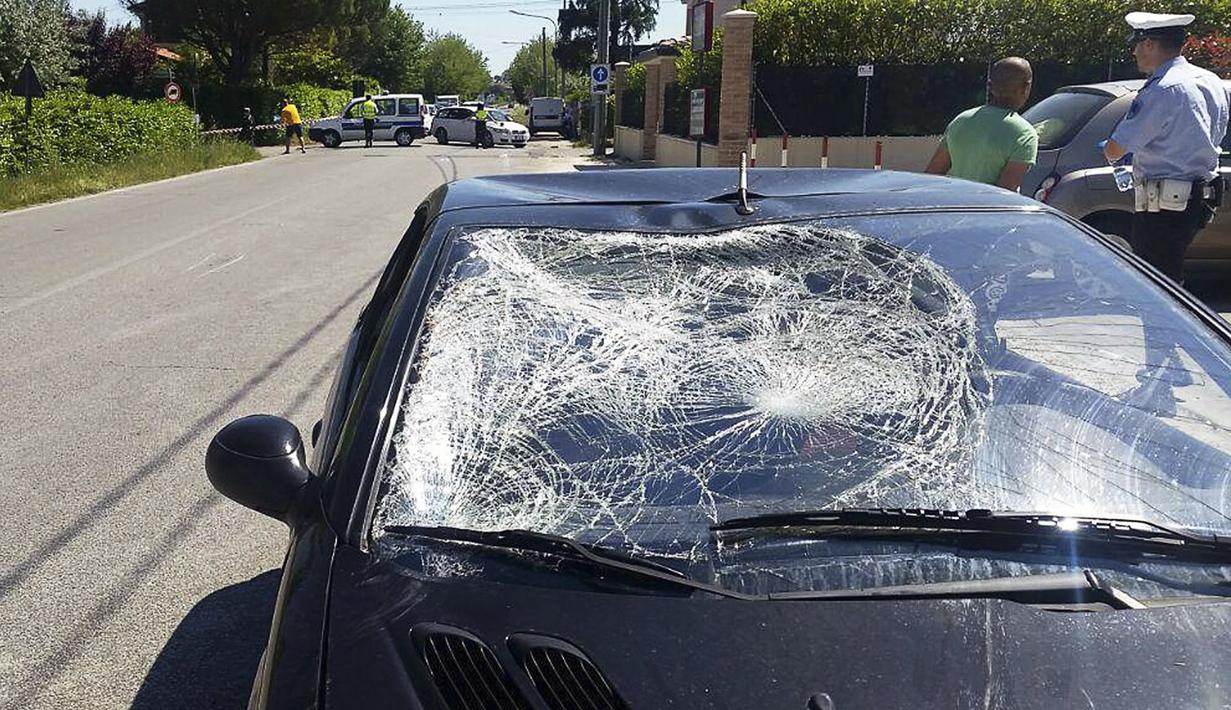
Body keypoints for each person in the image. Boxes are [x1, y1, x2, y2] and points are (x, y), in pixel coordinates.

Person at [1102, 12, 1229, 283]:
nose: (1134, 52)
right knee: (1170, 279)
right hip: (1198, 199)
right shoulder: (1209, 80)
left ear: (1149, 43)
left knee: (1156, 285)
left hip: (1164, 207)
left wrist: (1111, 150)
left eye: (1136, 44)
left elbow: (1116, 149)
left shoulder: (1163, 89)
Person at [925, 57, 1038, 192]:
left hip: (955, 208)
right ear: (1026, 88)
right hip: (987, 211)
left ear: (990, 86)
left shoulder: (961, 120)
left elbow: (932, 176)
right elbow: (1004, 193)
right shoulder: (1024, 134)